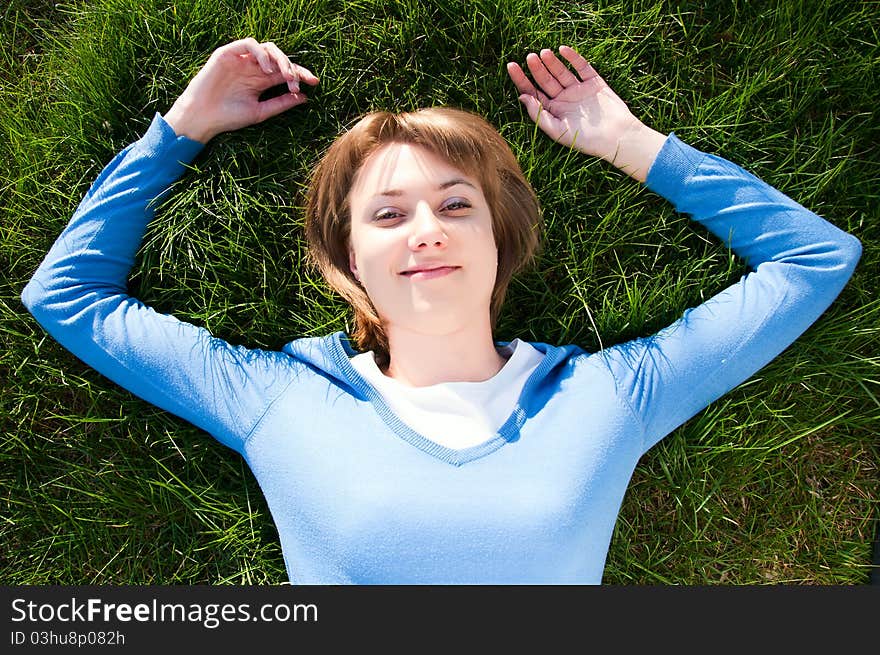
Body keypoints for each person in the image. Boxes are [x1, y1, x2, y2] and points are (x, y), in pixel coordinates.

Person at [21, 38, 861, 584]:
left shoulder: (610, 394)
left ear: (500, 240)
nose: (426, 230)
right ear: (352, 260)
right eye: (388, 214)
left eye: (457, 206)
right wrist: (182, 127)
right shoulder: (276, 398)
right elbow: (64, 295)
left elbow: (816, 258)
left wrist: (630, 144)